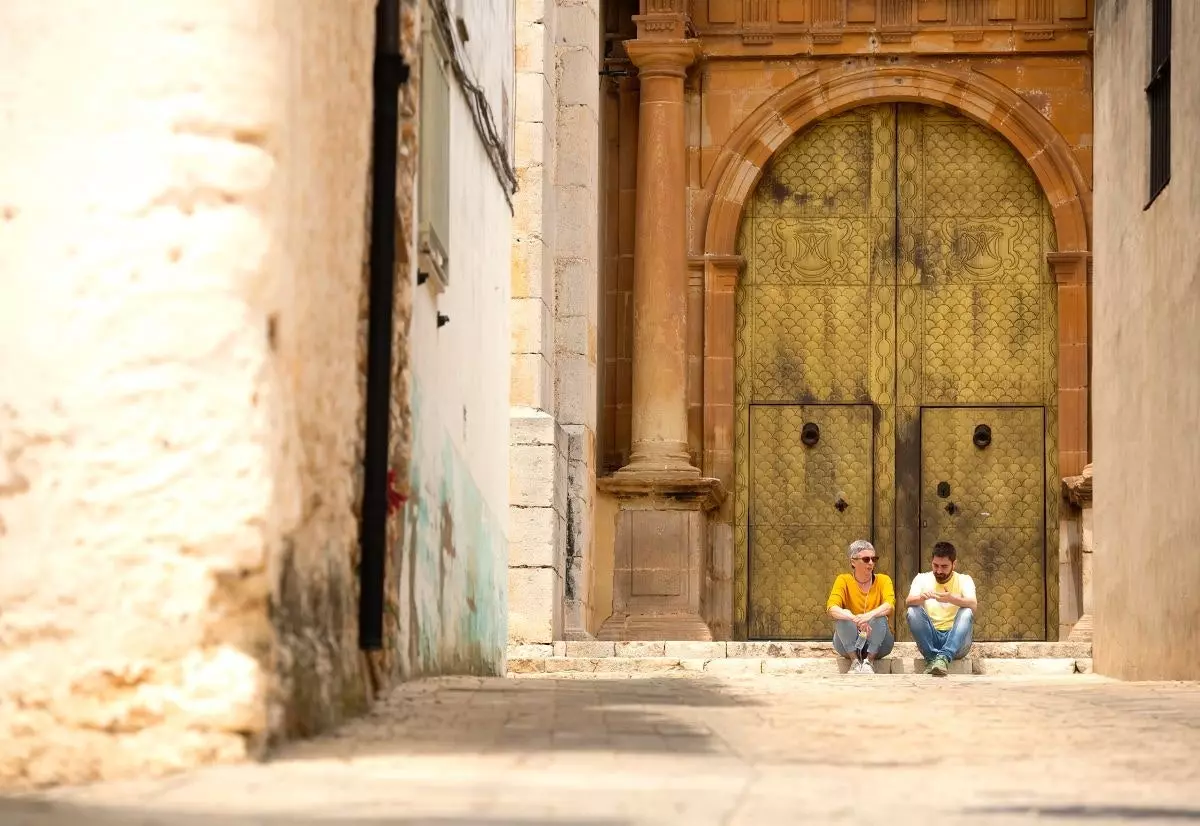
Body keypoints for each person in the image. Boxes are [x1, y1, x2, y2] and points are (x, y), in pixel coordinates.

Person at [905, 541, 977, 677]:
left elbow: (973, 605)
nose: (939, 571)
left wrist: (951, 599)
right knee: (912, 611)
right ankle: (933, 659)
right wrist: (921, 598)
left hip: (958, 643)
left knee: (967, 611)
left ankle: (943, 657)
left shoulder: (964, 580)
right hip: (930, 641)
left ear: (954, 564)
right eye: (935, 565)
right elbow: (908, 601)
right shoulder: (921, 578)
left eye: (944, 567)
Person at [826, 539, 895, 674]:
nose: (871, 563)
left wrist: (868, 616)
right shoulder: (843, 580)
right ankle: (855, 662)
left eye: (873, 559)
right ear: (853, 562)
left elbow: (889, 606)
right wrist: (854, 619)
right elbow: (831, 608)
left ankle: (869, 661)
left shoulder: (883, 580)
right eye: (866, 559)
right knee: (843, 615)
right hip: (848, 644)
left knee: (879, 617)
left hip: (879, 642)